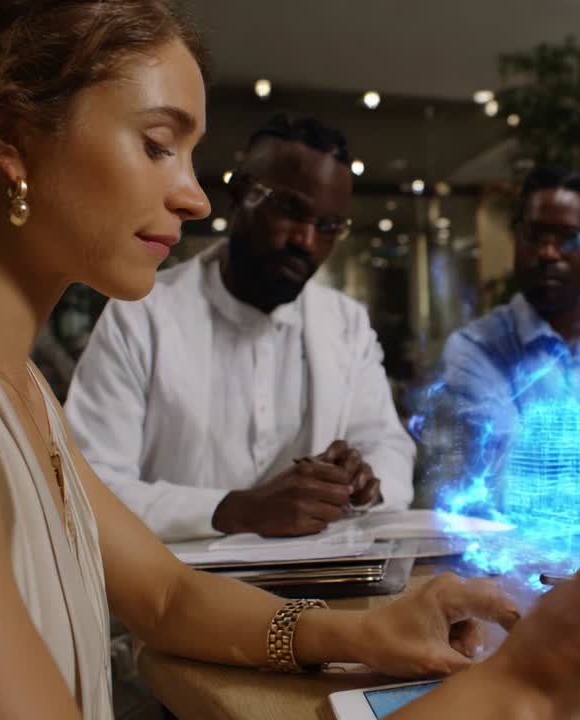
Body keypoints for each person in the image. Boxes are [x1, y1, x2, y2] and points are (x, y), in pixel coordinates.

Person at [0, 2, 580, 718]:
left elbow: (166, 598)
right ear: (11, 141)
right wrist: (528, 685)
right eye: (158, 143)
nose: (194, 195)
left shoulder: (7, 378)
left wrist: (368, 627)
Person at [64, 114, 414, 542]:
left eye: (328, 227)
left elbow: (390, 447)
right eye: (290, 210)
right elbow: (88, 488)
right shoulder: (142, 316)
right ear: (241, 193)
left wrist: (364, 485)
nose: (305, 240)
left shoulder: (346, 324)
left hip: (318, 591)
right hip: (170, 594)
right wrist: (236, 510)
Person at [428, 166, 580, 504]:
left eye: (569, 238)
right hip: (522, 551)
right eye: (535, 235)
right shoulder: (474, 350)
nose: (548, 253)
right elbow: (508, 474)